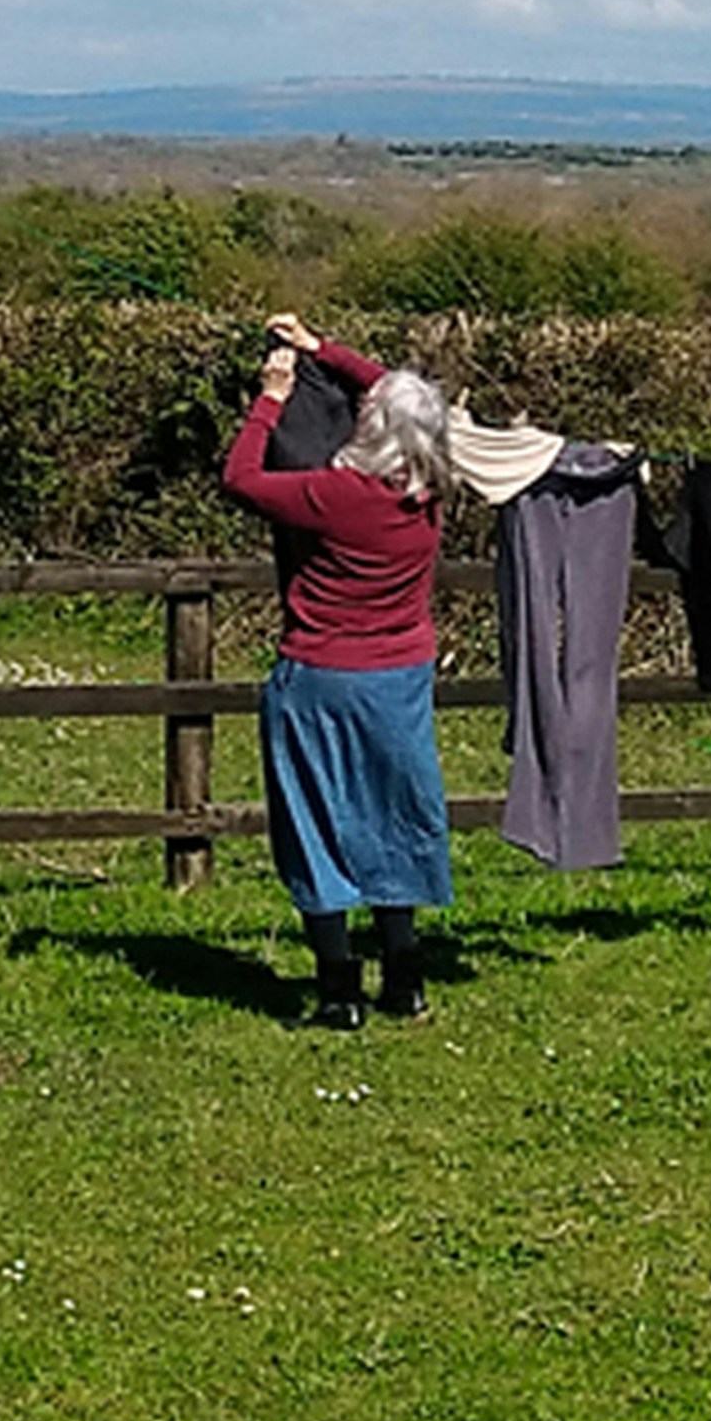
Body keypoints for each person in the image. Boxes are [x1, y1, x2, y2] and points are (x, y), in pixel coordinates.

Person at [221, 313, 454, 1027]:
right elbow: (388, 387)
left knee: (314, 818)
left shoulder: (334, 496)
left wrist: (271, 394)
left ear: (374, 428)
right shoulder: (431, 492)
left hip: (320, 674)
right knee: (393, 817)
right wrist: (322, 347)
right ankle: (405, 979)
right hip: (401, 676)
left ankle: (337, 990)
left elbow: (241, 478)